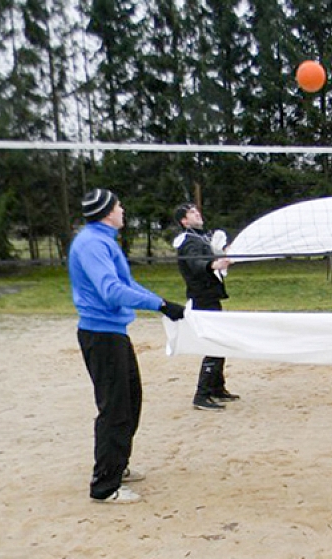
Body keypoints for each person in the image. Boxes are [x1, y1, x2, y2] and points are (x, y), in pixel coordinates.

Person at [68, 188, 186, 504]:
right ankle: (104, 486)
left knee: (131, 400)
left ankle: (118, 466)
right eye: (119, 205)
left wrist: (162, 302)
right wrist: (160, 304)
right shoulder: (92, 243)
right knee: (115, 408)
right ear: (107, 211)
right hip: (101, 334)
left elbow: (127, 284)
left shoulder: (104, 240)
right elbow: (110, 290)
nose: (123, 210)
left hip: (114, 332)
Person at [173, 202, 238, 411]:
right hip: (202, 299)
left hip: (210, 296)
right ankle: (201, 395)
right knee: (214, 344)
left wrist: (221, 255)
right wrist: (213, 264)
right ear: (184, 221)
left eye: (197, 210)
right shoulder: (188, 241)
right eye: (192, 212)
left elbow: (209, 254)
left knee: (219, 341)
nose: (197, 213)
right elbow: (195, 262)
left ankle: (217, 388)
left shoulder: (201, 238)